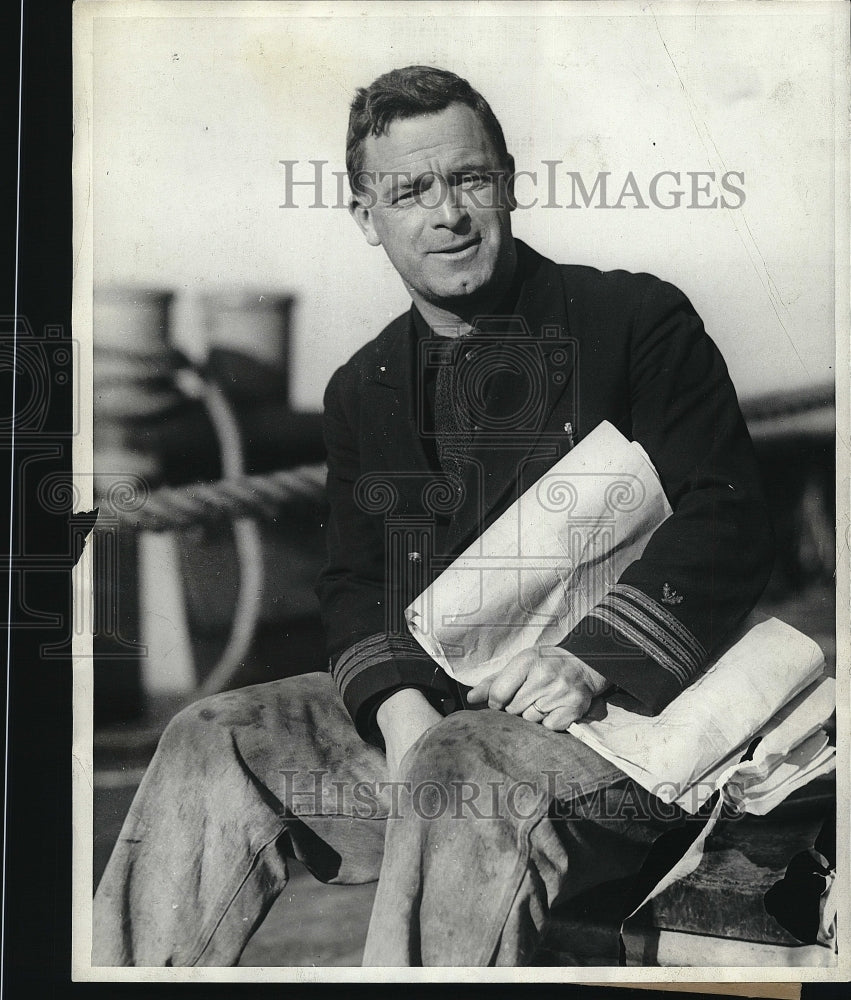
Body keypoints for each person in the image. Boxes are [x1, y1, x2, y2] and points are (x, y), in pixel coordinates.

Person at [92, 66, 774, 967]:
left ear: (510, 183)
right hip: (449, 723)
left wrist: (587, 662)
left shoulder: (635, 320)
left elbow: (725, 519)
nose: (446, 213)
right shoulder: (362, 388)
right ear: (366, 217)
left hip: (631, 732)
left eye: (469, 180)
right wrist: (399, 710)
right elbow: (356, 584)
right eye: (410, 190)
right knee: (213, 737)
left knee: (461, 767)